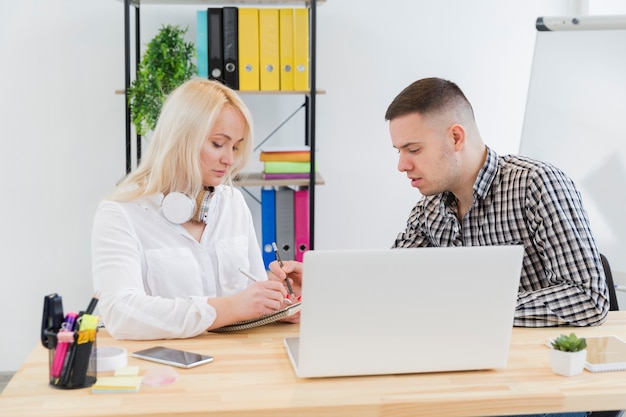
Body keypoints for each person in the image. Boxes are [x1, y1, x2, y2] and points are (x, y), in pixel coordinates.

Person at [270, 77, 609, 417]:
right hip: (467, 375)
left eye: (413, 150)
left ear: (456, 137)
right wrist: (321, 286)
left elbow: (589, 296)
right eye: (399, 152)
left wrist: (474, 311)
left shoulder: (537, 184)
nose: (402, 165)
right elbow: (387, 284)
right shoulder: (429, 208)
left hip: (538, 384)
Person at [92, 78, 294, 340]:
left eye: (235, 146)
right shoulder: (120, 213)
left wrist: (279, 302)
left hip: (234, 364)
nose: (230, 159)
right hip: (161, 370)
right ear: (180, 139)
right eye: (218, 144)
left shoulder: (232, 202)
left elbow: (250, 292)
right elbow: (120, 313)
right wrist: (228, 307)